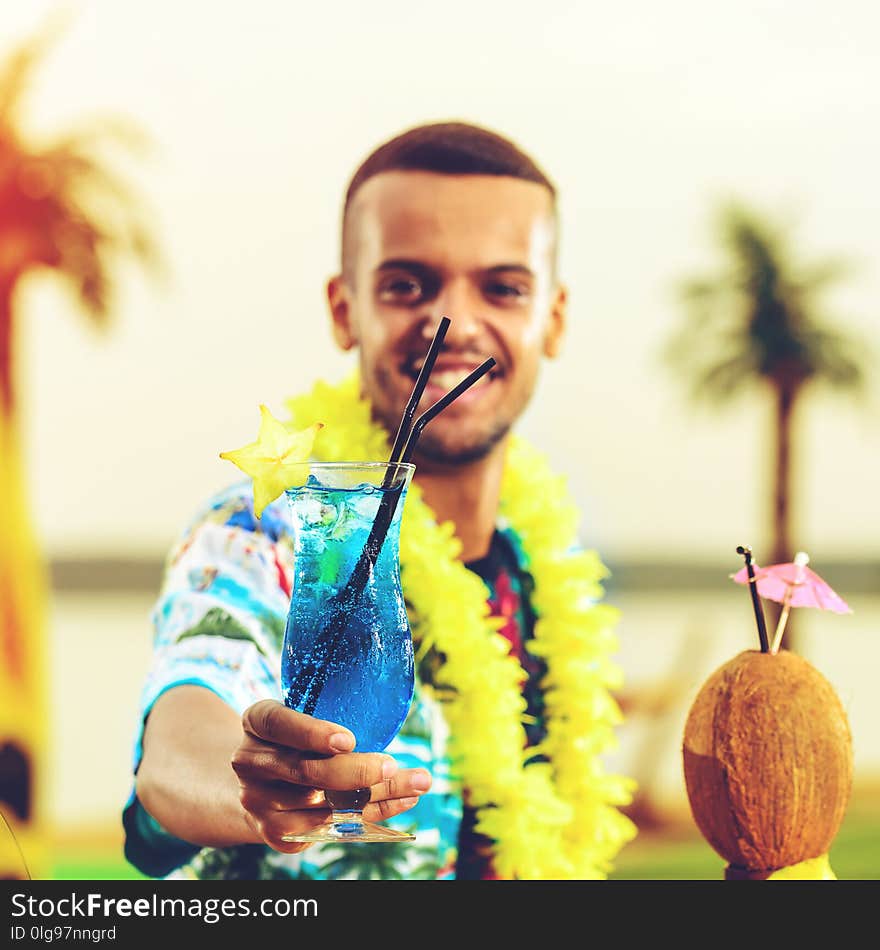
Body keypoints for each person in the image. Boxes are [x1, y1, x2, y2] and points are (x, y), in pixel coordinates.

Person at [123, 120, 638, 880]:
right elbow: (181, 741)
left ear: (552, 319)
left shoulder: (544, 575)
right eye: (407, 285)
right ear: (343, 309)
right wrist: (256, 787)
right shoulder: (269, 527)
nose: (452, 324)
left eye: (503, 287)